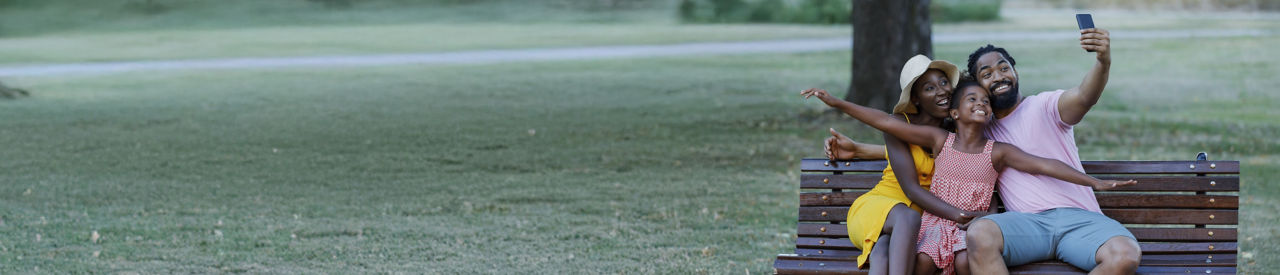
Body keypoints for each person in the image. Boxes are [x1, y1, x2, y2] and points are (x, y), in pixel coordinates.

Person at [825, 28, 1141, 274]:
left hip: (1075, 220)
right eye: (986, 77)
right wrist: (856, 139)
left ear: (1015, 72)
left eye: (1004, 68)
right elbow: (920, 146)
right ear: (961, 105)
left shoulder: (1038, 111)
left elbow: (1074, 115)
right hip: (1013, 226)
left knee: (1125, 257)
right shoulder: (964, 133)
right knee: (968, 239)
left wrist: (1103, 61)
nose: (998, 78)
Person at [818, 55, 959, 275]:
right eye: (929, 88)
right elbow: (911, 189)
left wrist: (859, 149)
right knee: (907, 216)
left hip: (911, 228)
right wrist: (958, 214)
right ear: (916, 98)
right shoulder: (899, 125)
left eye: (943, 82)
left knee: (882, 253)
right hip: (879, 209)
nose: (941, 91)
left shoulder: (956, 132)